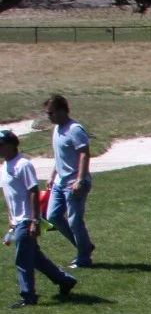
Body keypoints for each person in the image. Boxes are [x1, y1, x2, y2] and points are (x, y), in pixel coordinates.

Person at [2, 129, 75, 309]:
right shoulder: (5, 166)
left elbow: (33, 191)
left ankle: (28, 296)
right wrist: (10, 217)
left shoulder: (22, 165)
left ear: (10, 146)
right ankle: (65, 281)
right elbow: (10, 195)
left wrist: (35, 220)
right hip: (18, 220)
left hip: (27, 219)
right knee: (35, 258)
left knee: (22, 259)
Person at [44, 94, 94, 268]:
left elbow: (84, 153)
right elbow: (60, 157)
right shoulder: (57, 129)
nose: (48, 116)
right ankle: (84, 246)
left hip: (75, 183)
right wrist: (52, 175)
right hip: (60, 182)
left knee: (74, 220)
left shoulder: (75, 129)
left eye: (50, 113)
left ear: (61, 111)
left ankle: (84, 257)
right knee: (53, 216)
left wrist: (80, 179)